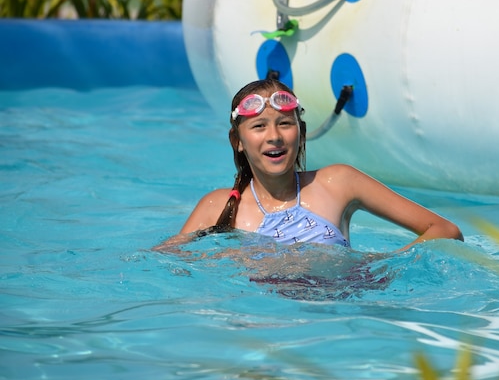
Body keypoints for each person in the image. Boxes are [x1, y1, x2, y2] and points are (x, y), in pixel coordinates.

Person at [155, 79, 463, 253]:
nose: (274, 137)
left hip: (342, 318)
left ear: (300, 132)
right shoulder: (218, 206)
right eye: (259, 126)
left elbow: (445, 231)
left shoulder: (339, 183)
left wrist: (376, 267)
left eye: (285, 124)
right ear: (237, 140)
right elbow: (163, 266)